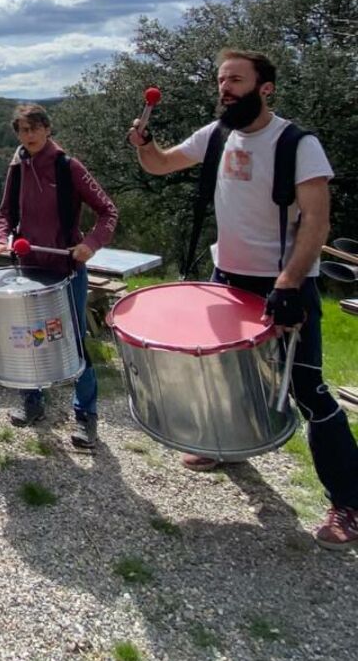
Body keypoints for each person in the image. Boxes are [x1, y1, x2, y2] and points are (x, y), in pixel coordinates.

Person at [128, 48, 358, 551]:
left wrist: (290, 281)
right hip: (226, 278)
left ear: (265, 87)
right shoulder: (217, 135)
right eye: (220, 80)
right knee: (225, 372)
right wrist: (144, 145)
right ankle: (227, 448)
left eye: (235, 80)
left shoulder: (298, 143)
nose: (224, 89)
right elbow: (161, 164)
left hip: (283, 282)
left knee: (309, 391)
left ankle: (348, 502)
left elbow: (317, 221)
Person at [0, 104, 118, 448]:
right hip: (29, 269)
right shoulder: (18, 165)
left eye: (33, 129)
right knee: (28, 338)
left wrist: (90, 243)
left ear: (47, 129)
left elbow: (108, 212)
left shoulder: (67, 166)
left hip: (66, 270)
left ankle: (85, 415)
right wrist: (1, 239)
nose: (28, 136)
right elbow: (6, 213)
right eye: (22, 131)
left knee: (73, 342)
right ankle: (32, 400)